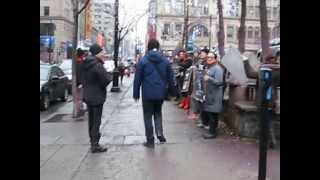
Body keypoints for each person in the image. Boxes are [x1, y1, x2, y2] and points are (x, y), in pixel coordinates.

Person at [133, 39, 176, 148]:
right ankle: (160, 133)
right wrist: (173, 91)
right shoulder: (165, 60)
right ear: (158, 47)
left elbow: (137, 78)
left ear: (148, 47)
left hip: (147, 93)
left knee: (147, 116)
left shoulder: (143, 61)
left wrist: (136, 93)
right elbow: (171, 78)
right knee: (158, 113)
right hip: (160, 92)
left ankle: (150, 140)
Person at [81, 44, 113, 153]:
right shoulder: (97, 65)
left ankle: (92, 142)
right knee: (96, 122)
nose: (103, 54)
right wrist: (110, 75)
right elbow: (105, 80)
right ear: (97, 53)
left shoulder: (86, 64)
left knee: (91, 120)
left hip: (88, 96)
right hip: (97, 97)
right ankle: (95, 145)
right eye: (101, 52)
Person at [201, 52, 225, 139]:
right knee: (211, 113)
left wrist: (209, 78)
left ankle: (212, 132)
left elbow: (219, 82)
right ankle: (212, 131)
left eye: (211, 58)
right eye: (208, 57)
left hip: (215, 95)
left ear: (215, 59)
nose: (209, 59)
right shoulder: (211, 67)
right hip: (210, 94)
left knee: (213, 114)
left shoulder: (218, 69)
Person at [189, 48, 208, 122]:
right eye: (201, 53)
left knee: (202, 101)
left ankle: (202, 119)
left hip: (203, 84)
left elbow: (205, 70)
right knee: (195, 98)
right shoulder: (199, 60)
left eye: (203, 53)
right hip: (197, 83)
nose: (201, 54)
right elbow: (196, 67)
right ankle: (197, 114)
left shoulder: (207, 62)